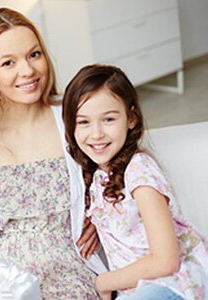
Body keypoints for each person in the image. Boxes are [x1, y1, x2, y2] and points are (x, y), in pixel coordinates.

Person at [0, 7, 107, 300]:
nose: (28, 71)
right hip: (6, 283)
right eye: (8, 62)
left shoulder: (73, 119)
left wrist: (102, 218)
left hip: (71, 274)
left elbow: (119, 175)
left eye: (34, 55)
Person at [62, 64, 208, 300]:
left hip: (174, 284)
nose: (96, 134)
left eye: (108, 119)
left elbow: (166, 261)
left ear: (131, 118)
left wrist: (104, 282)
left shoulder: (139, 170)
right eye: (83, 122)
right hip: (140, 288)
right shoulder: (96, 176)